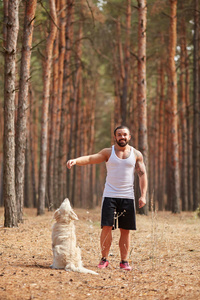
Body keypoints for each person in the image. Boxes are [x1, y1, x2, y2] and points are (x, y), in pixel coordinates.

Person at [67, 125, 148, 271]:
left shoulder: (136, 154)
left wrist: (143, 195)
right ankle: (104, 259)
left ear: (129, 137)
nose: (122, 137)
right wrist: (76, 160)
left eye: (125, 135)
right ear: (115, 137)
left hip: (128, 197)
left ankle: (124, 261)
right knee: (106, 227)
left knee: (125, 230)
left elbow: (142, 174)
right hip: (110, 195)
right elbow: (91, 158)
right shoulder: (108, 152)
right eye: (119, 135)